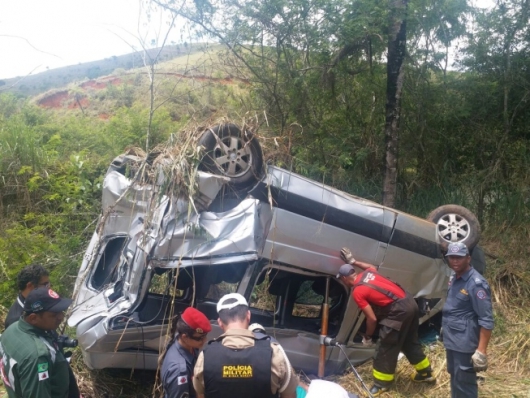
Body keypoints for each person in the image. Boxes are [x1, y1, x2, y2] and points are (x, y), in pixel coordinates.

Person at [337, 247, 435, 396]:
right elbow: (372, 266)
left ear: (344, 278)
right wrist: (353, 261)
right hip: (410, 304)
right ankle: (426, 374)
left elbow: (372, 318)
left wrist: (368, 337)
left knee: (385, 348)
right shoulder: (368, 274)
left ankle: (381, 384)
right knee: (409, 341)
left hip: (398, 313)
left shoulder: (358, 291)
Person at [193, 293, 298, 398]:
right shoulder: (274, 354)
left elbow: (200, 395)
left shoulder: (205, 357)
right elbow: (289, 395)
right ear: (248, 316)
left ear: (220, 322)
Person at [0, 287, 73, 398]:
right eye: (54, 315)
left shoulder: (11, 330)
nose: (61, 317)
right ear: (33, 318)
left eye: (61, 312)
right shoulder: (37, 356)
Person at [442, 242, 494, 398]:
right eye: (451, 257)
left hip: (464, 344)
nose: (455, 261)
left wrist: (481, 351)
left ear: (468, 258)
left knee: (465, 385)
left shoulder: (476, 284)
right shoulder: (455, 278)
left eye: (459, 257)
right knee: (455, 378)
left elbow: (486, 319)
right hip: (451, 340)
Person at [160, 307, 212, 398]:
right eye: (199, 338)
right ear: (185, 337)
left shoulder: (188, 345)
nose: (205, 340)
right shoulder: (179, 371)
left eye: (205, 336)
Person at [4, 264, 50, 329]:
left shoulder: (36, 303)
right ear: (30, 286)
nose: (49, 288)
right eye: (45, 284)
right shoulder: (16, 321)